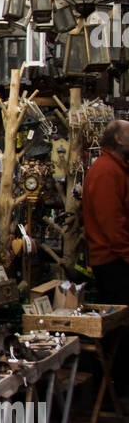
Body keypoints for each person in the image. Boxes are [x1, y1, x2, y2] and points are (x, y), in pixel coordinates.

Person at [82, 120, 129, 304]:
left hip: (116, 258)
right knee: (119, 322)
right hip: (114, 261)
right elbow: (111, 222)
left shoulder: (117, 168)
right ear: (118, 139)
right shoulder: (106, 171)